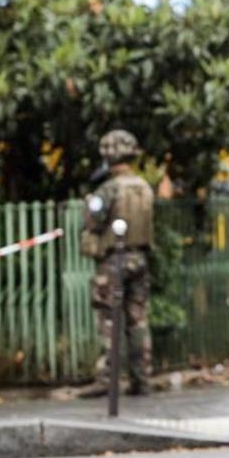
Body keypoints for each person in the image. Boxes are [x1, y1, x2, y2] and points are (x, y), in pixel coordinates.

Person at [81, 129, 155, 396]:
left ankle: (106, 380)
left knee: (109, 320)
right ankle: (141, 379)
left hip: (114, 260)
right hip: (141, 259)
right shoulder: (144, 187)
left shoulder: (109, 189)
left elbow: (93, 221)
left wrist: (89, 205)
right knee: (138, 320)